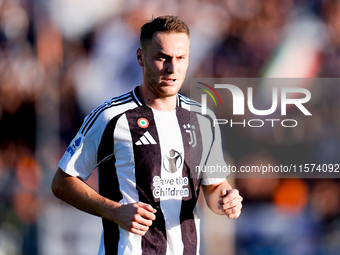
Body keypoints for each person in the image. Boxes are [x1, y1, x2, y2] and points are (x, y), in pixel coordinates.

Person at [51, 15, 243, 255]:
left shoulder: (203, 119)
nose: (173, 68)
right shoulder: (111, 117)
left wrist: (227, 200)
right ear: (141, 57)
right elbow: (61, 183)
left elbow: (214, 188)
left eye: (181, 58)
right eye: (162, 58)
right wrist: (113, 210)